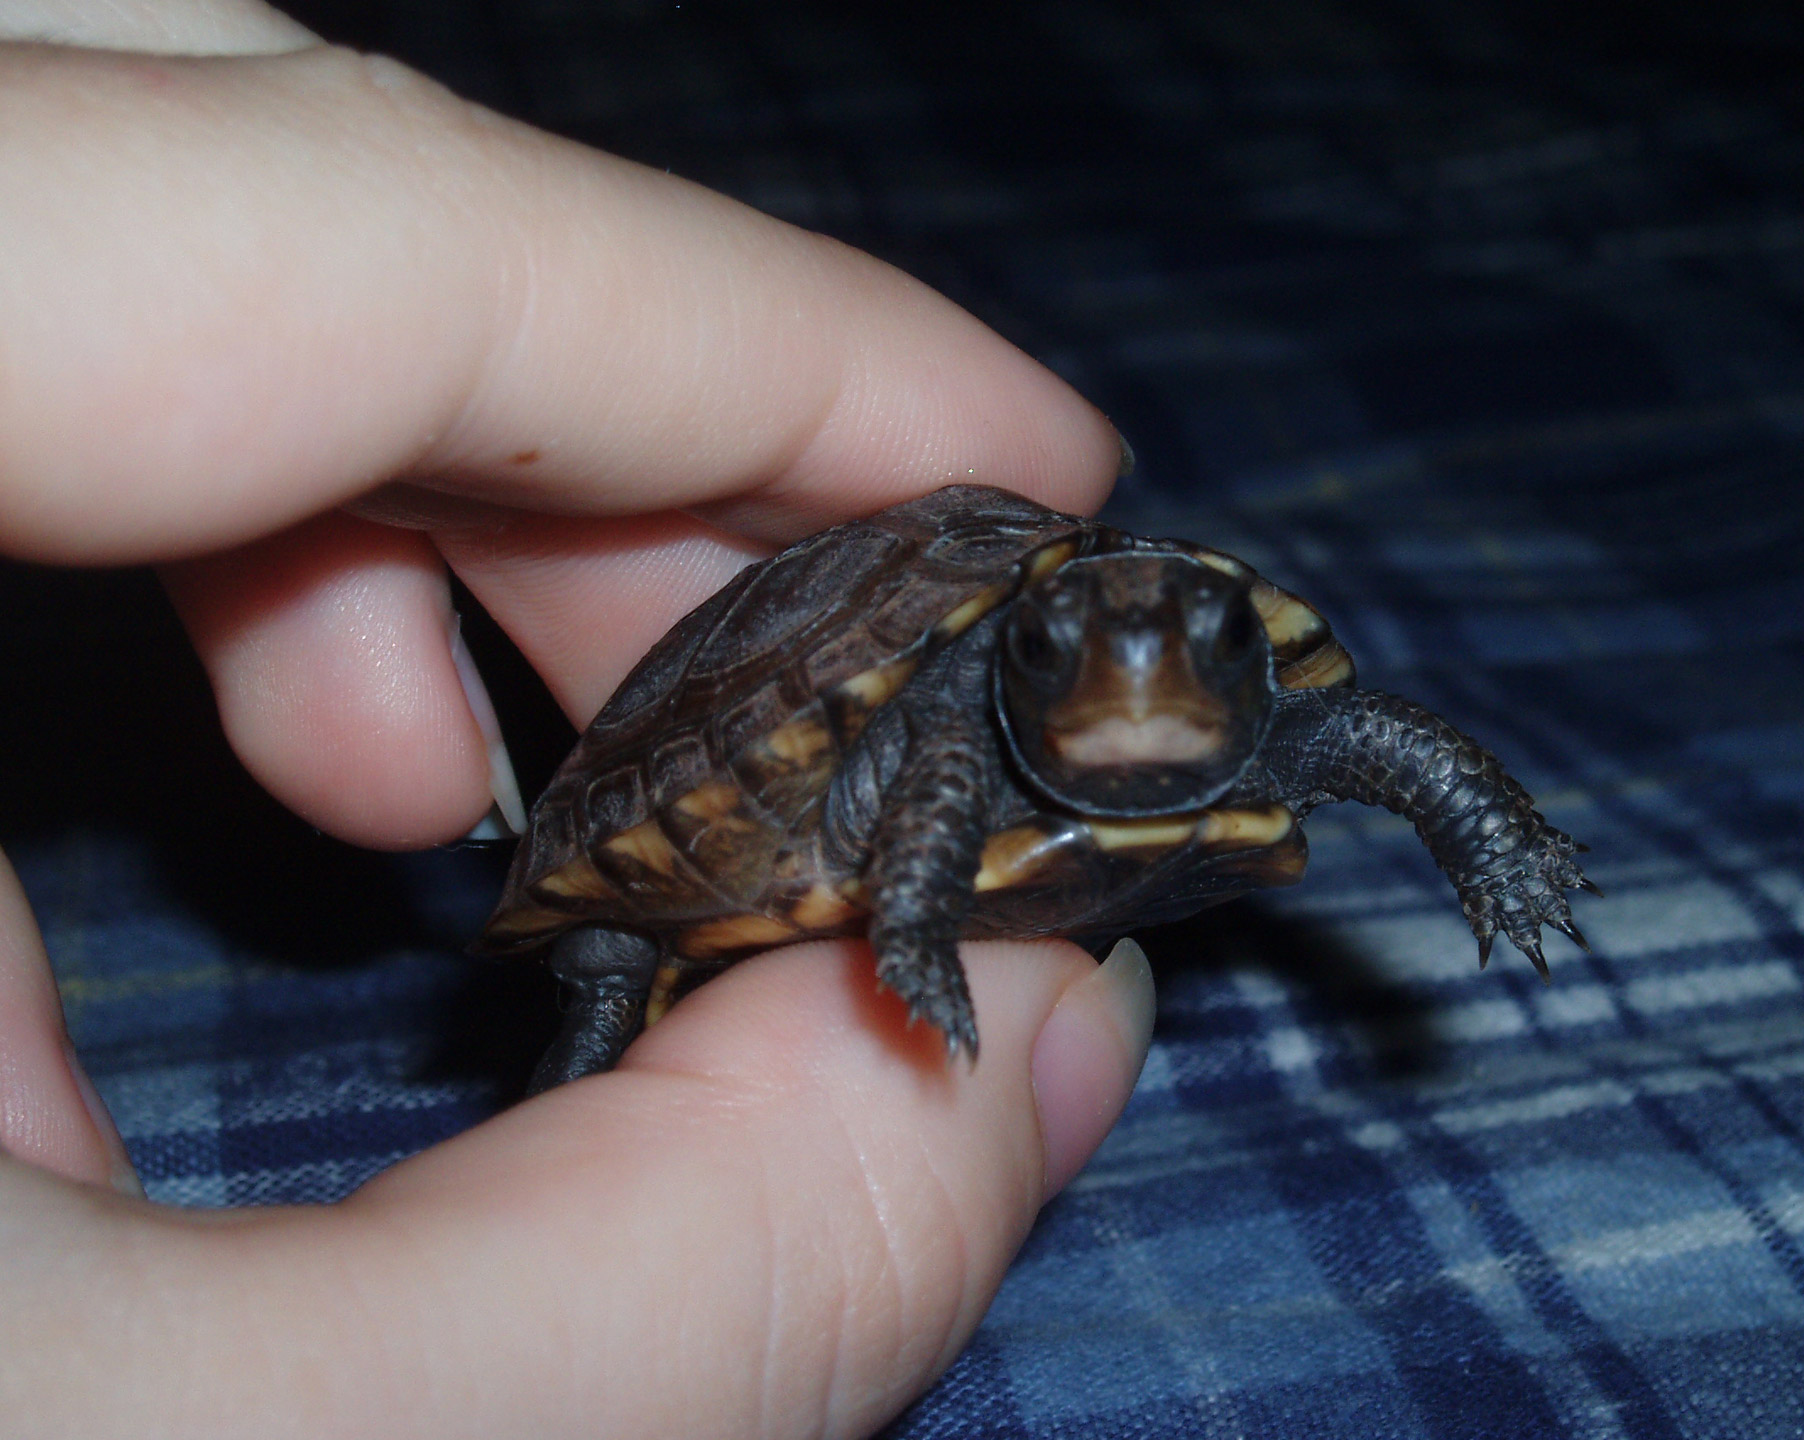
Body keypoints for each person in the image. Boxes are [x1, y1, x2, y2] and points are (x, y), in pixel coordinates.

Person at [0, 4, 1153, 1435]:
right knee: (611, 970)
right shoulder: (950, 701)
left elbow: (1330, 725)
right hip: (724, 824)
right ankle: (577, 1118)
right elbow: (924, 756)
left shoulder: (1156, 681)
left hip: (852, 798)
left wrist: (1488, 827)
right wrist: (915, 929)